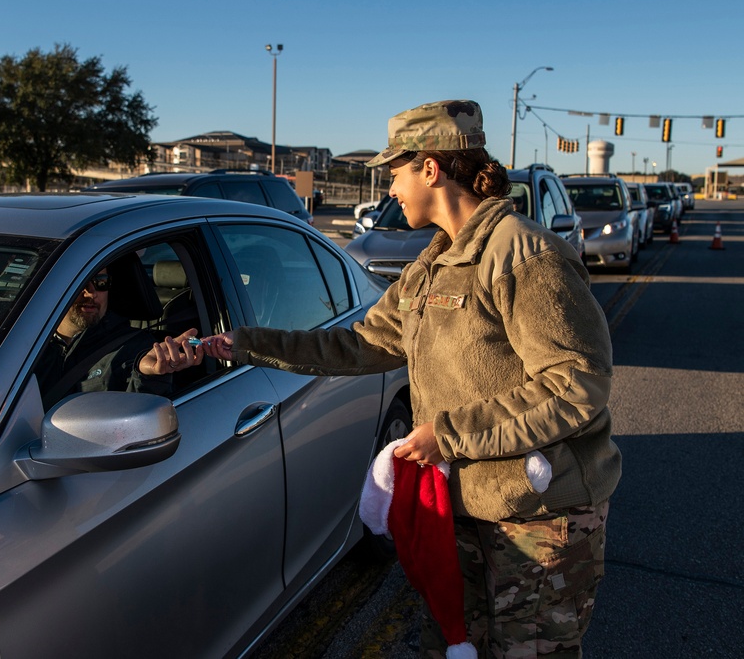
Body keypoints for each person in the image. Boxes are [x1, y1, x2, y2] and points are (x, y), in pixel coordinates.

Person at [201, 100, 620, 657]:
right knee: (449, 645)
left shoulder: (523, 253)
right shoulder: (434, 263)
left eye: (394, 172)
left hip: (536, 520)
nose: (390, 187)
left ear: (431, 167)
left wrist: (445, 434)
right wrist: (246, 344)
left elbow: (576, 384)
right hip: (463, 508)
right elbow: (361, 344)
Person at [40, 266, 203, 405]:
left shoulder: (137, 348)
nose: (91, 293)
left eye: (101, 281)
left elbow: (145, 414)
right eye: (80, 282)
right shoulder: (26, 343)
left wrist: (149, 377)